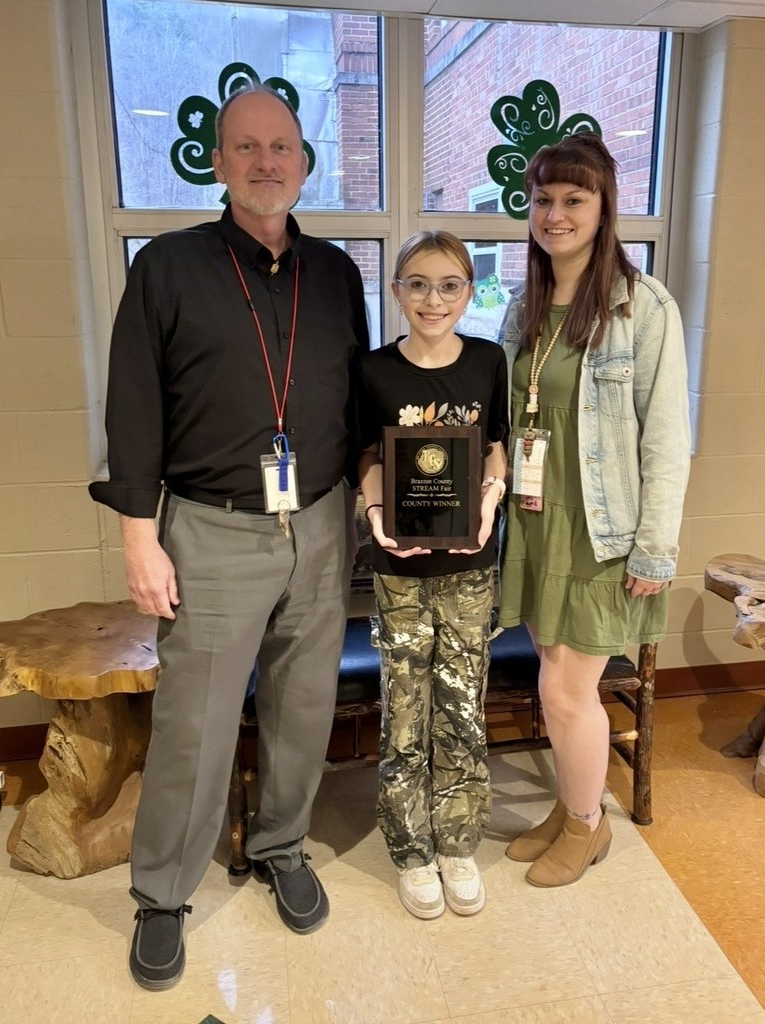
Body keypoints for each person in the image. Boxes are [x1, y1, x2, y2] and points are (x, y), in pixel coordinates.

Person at [89, 83, 369, 990]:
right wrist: (142, 536)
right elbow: (132, 410)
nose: (265, 162)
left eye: (281, 147)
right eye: (245, 147)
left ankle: (281, 844)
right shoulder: (166, 268)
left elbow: (352, 399)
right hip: (209, 528)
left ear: (303, 161)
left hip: (320, 521)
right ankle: (162, 893)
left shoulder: (336, 273)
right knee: (195, 724)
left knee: (301, 706)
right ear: (218, 163)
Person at [498, 132, 690, 887]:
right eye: (543, 199)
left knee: (563, 690)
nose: (555, 214)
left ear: (603, 206)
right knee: (554, 678)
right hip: (540, 524)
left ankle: (586, 827)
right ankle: (574, 804)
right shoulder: (527, 304)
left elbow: (668, 441)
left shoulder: (642, 307)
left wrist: (654, 549)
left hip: (603, 536)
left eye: (572, 199)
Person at [354, 231, 508, 919]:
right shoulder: (374, 371)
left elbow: (497, 444)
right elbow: (365, 452)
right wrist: (376, 510)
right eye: (416, 283)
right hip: (400, 568)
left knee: (463, 704)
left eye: (448, 285)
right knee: (406, 710)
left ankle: (457, 842)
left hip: (470, 564)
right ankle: (411, 849)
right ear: (396, 291)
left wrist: (490, 497)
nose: (432, 298)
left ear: (468, 292)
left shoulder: (487, 362)